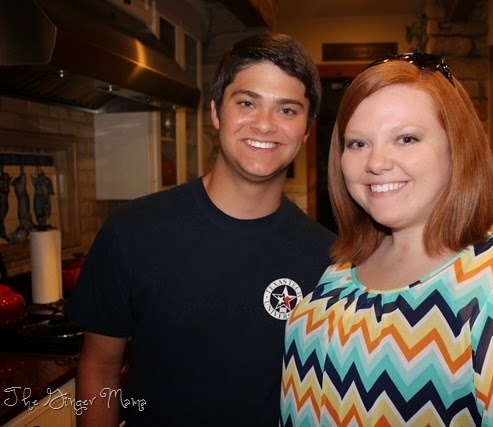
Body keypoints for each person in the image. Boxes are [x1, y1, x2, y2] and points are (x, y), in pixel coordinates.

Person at [280, 53, 493, 426]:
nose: (376, 162)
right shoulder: (337, 275)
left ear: (456, 147)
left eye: (406, 138)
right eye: (358, 143)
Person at [65, 32, 335, 426]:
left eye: (287, 110)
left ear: (306, 130)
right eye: (247, 103)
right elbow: (99, 369)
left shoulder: (326, 257)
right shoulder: (133, 230)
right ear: (216, 112)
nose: (264, 124)